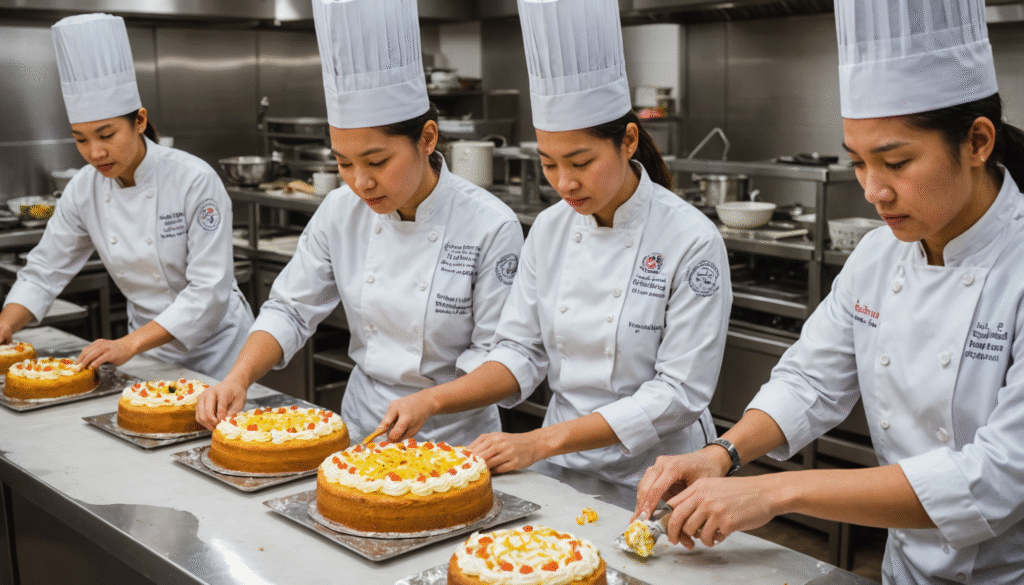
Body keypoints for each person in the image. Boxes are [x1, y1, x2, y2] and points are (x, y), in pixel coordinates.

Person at [633, 1, 1024, 582]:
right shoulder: (876, 254)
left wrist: (777, 494)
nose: (873, 192)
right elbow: (809, 380)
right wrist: (722, 455)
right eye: (859, 163)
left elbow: (996, 478)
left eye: (895, 162)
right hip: (907, 565)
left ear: (978, 141)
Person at [374, 0, 731, 488]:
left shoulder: (690, 239)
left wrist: (544, 440)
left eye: (580, 162)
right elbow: (520, 349)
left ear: (628, 141)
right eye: (548, 163)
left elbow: (678, 393)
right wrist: (433, 398)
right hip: (563, 467)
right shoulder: (550, 228)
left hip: (660, 471)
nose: (564, 183)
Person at [195, 0, 524, 447]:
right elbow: (290, 308)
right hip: (362, 428)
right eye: (344, 163)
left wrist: (430, 402)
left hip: (456, 439)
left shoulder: (490, 225)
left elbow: (502, 358)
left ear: (426, 139)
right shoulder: (339, 209)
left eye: (377, 161)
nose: (360, 182)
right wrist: (238, 377)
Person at [0, 13, 253, 379]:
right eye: (81, 139)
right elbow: (43, 272)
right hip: (147, 351)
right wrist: (6, 324)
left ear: (139, 121)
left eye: (106, 135)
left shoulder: (193, 179)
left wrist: (128, 344)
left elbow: (209, 293)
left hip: (219, 351)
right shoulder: (83, 189)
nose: (95, 153)